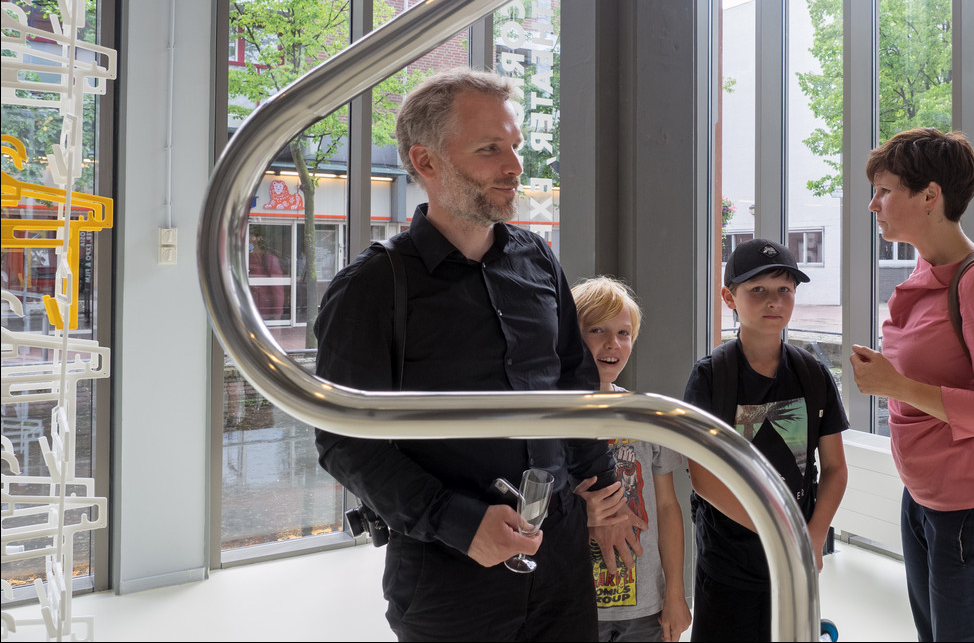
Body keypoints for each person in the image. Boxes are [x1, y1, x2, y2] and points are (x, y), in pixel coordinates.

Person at [313, 67, 646, 642]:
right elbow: (344, 441)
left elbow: (572, 380)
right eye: (490, 149)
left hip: (561, 555)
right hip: (447, 567)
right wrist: (461, 524)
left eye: (514, 146)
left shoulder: (538, 260)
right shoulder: (371, 286)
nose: (515, 167)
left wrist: (600, 489)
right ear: (426, 162)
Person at [849, 127, 974, 642]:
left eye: (884, 191)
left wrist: (896, 386)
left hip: (973, 510)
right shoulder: (928, 270)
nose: (874, 204)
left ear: (930, 196)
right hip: (923, 501)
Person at [682, 238, 849, 642]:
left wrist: (812, 537)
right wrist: (781, 533)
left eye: (784, 290)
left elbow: (834, 469)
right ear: (729, 297)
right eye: (758, 290)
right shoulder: (711, 377)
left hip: (795, 559)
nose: (773, 301)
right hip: (728, 564)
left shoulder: (813, 374)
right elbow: (703, 477)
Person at [570, 276, 692, 643]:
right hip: (571, 603)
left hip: (646, 607)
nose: (613, 344)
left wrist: (675, 593)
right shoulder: (552, 415)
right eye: (597, 330)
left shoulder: (646, 415)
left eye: (624, 333)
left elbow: (668, 507)